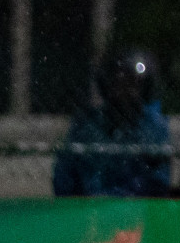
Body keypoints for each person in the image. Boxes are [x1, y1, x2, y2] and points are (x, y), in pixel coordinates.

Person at [52, 50, 171, 198]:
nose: (124, 90)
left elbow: (157, 181)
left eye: (132, 83)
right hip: (87, 208)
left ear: (144, 87)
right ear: (107, 85)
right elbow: (66, 174)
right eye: (118, 83)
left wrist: (121, 196)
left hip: (136, 209)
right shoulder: (87, 125)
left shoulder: (153, 127)